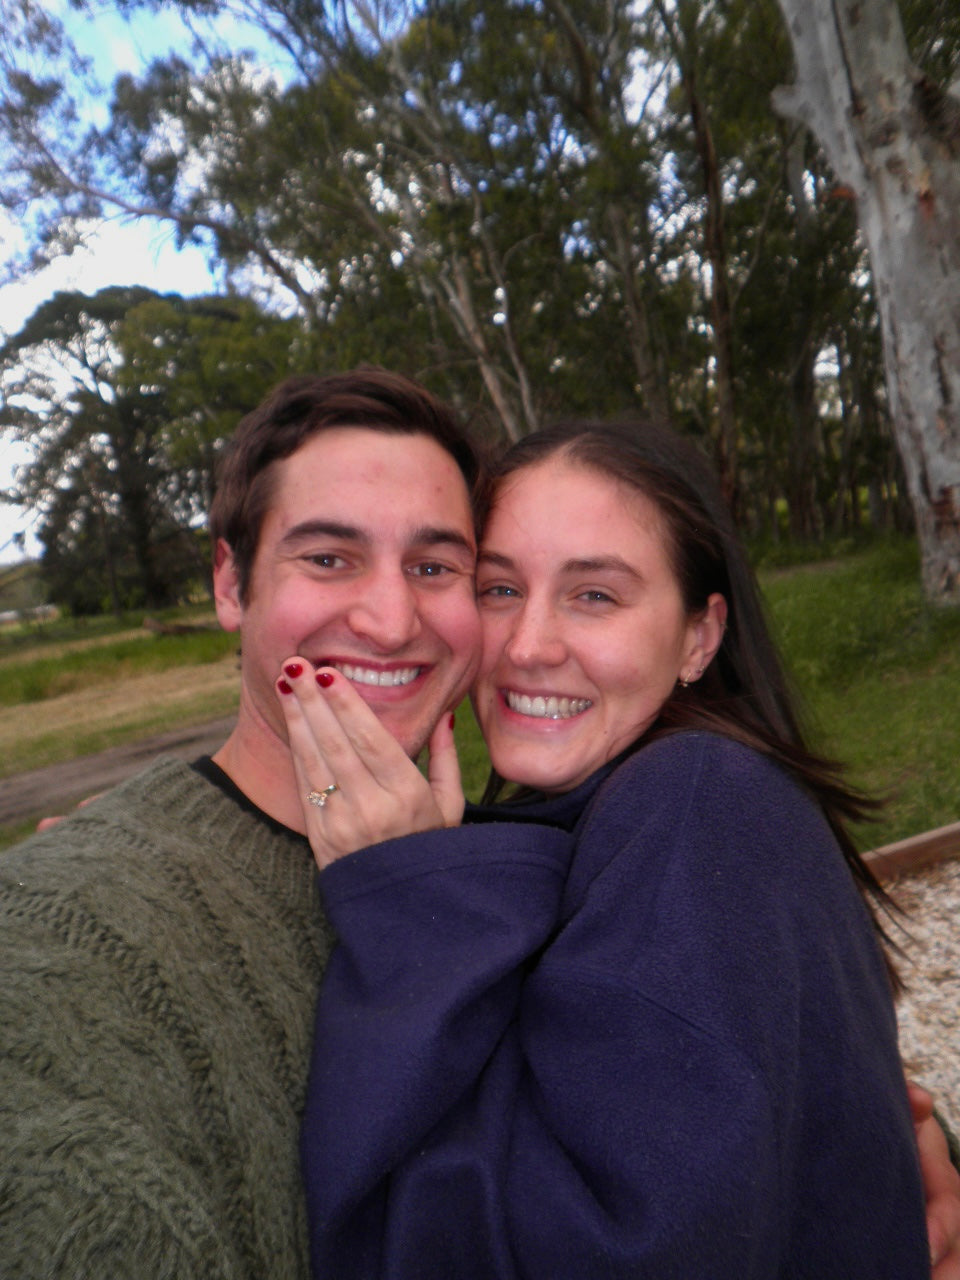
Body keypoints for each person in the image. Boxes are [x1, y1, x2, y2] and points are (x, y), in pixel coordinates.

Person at [282, 418, 938, 1277]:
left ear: (700, 637)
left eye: (595, 595)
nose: (528, 645)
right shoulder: (649, 803)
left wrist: (416, 914)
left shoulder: (697, 805)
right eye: (500, 588)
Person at [0, 368, 483, 1278]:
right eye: (329, 557)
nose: (390, 619)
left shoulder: (510, 868)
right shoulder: (66, 924)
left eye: (433, 566)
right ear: (231, 584)